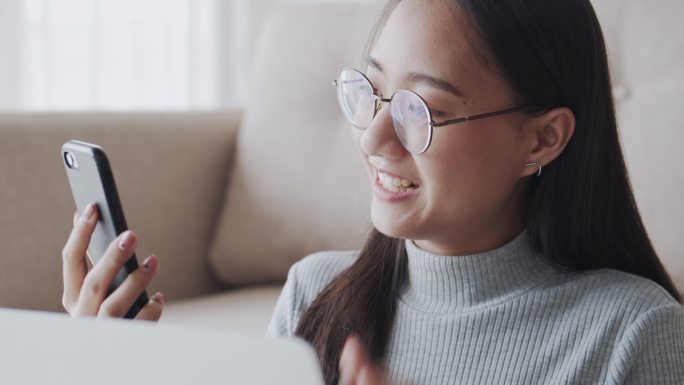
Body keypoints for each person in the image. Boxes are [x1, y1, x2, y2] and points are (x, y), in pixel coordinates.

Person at [61, 0, 684, 384]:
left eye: (422, 109)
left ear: (543, 139)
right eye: (372, 92)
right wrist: (108, 370)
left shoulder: (635, 335)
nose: (373, 138)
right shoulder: (316, 295)